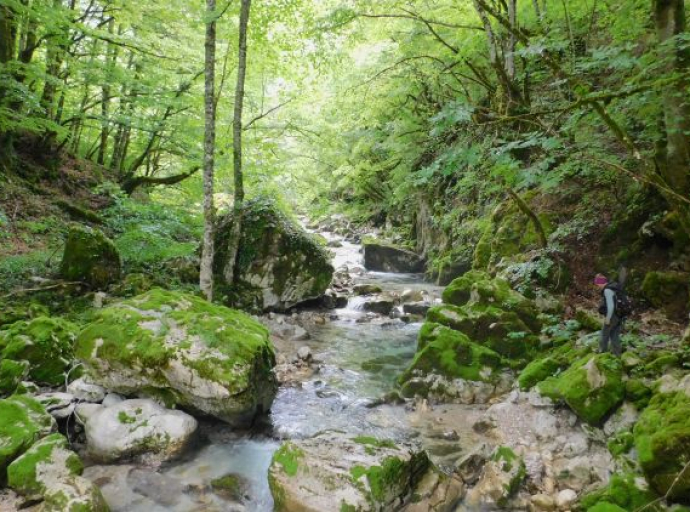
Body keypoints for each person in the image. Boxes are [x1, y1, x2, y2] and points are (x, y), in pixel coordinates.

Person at [594, 273, 624, 357]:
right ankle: (617, 354)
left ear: (600, 282)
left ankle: (601, 352)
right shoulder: (614, 288)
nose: (598, 286)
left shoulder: (607, 290)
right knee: (614, 334)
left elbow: (611, 306)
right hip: (619, 315)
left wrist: (608, 318)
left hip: (612, 316)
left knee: (604, 333)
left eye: (597, 284)